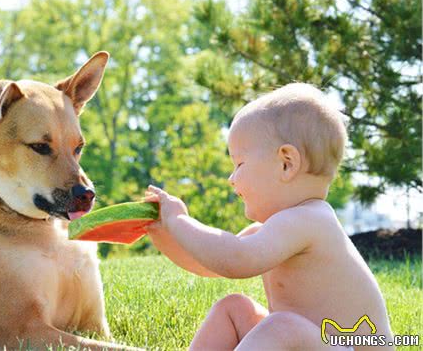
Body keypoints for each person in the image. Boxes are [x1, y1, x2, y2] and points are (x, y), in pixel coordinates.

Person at [144, 83, 393, 351]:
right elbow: (210, 262)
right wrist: (163, 232)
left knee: (281, 326)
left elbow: (233, 259)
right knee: (234, 308)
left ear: (286, 163)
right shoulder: (274, 230)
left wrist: (179, 220)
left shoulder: (310, 221)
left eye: (239, 164)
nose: (231, 178)